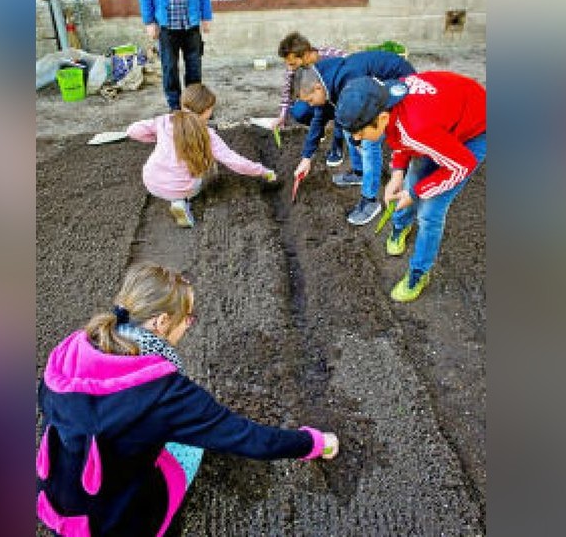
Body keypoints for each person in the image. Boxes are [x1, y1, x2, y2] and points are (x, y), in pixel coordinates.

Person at [37, 262, 339, 536]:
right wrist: (313, 442)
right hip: (116, 524)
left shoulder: (67, 354)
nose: (188, 326)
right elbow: (251, 439)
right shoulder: (165, 394)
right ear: (162, 322)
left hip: (57, 504)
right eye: (188, 318)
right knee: (192, 447)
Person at [334, 72, 486, 302]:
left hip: (474, 130)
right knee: (411, 177)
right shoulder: (388, 98)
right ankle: (401, 225)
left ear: (382, 118)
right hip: (441, 123)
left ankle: (419, 272)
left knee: (430, 211)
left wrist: (415, 193)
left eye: (360, 133)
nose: (357, 139)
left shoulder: (416, 129)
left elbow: (460, 166)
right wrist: (396, 174)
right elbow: (400, 137)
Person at [288, 50, 416, 226]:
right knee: (350, 128)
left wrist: (360, 142)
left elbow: (364, 116)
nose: (311, 105)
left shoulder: (347, 79)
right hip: (370, 89)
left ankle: (370, 200)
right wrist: (306, 158)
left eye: (310, 100)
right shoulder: (323, 82)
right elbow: (319, 118)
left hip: (398, 80)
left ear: (318, 88)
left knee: (369, 141)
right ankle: (359, 172)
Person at [127, 83, 276, 228]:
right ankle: (180, 201)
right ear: (207, 111)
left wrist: (157, 137)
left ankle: (176, 200)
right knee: (210, 165)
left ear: (182, 103)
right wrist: (263, 171)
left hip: (152, 182)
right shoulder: (207, 135)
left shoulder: (164, 121)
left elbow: (132, 131)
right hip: (184, 188)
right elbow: (234, 161)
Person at [274, 32, 348, 166]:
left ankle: (337, 145)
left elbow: (352, 68)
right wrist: (282, 116)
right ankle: (319, 130)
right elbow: (286, 94)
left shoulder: (333, 55)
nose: (290, 68)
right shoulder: (293, 68)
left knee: (340, 110)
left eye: (292, 63)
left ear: (305, 54)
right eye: (288, 64)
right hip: (319, 99)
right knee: (298, 110)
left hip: (341, 98)